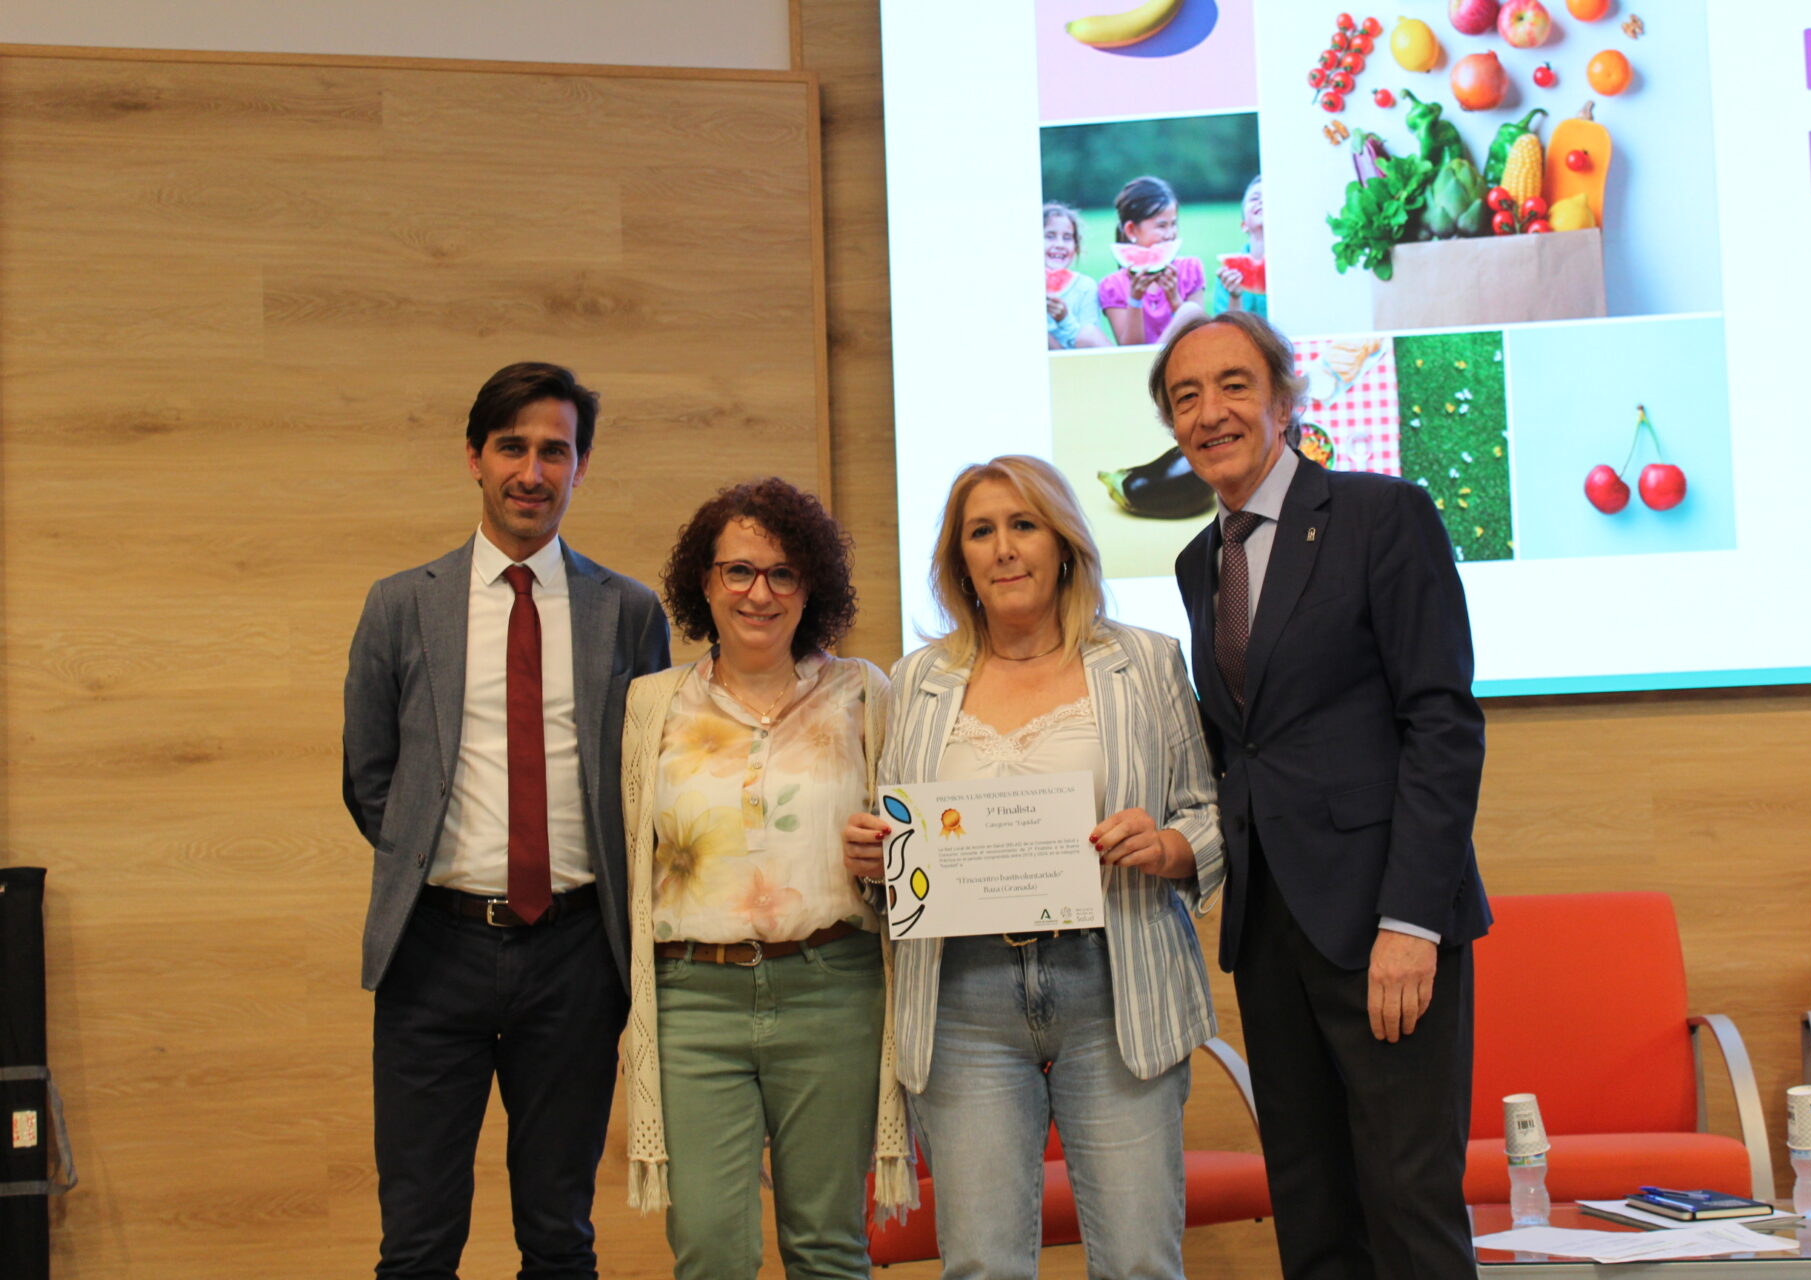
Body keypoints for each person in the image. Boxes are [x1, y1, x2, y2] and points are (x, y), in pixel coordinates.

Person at [1151, 310, 1491, 1280]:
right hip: (1270, 933)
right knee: (1312, 1209)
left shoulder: (1383, 516)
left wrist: (1411, 922)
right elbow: (1244, 744)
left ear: (1286, 398)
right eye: (1186, 397)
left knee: (1409, 1206)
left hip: (1385, 924)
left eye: (1233, 384)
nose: (1211, 412)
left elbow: (1442, 723)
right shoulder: (1198, 561)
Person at [844, 455, 1222, 1280]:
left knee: (1139, 1264)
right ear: (960, 559)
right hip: (962, 1000)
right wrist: (874, 858)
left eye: (1024, 525)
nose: (1005, 548)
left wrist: (1169, 847)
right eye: (982, 531)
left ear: (1064, 545)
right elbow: (898, 845)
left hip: (1115, 986)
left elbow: (1208, 810)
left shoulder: (1146, 661)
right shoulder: (918, 680)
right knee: (983, 1265)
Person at [343, 361, 671, 1278]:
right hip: (431, 954)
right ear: (474, 458)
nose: (533, 472)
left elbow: (649, 777)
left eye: (554, 451)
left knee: (560, 1237)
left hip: (576, 957)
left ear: (581, 466)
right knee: (416, 1244)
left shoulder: (628, 612)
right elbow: (371, 779)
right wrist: (434, 859)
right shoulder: (402, 605)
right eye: (511, 448)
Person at [620, 478, 913, 1279]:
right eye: (739, 571)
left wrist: (888, 864)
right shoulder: (651, 705)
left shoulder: (866, 693)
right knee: (710, 1251)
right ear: (705, 582)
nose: (760, 592)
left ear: (811, 588)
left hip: (833, 992)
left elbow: (916, 860)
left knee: (827, 1248)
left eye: (783, 573)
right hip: (691, 1003)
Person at [1097, 175, 1208, 347]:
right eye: (1161, 226)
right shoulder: (1112, 285)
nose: (1170, 234)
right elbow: (1129, 349)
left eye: (1174, 224)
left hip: (1184, 356)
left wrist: (1174, 299)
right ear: (1131, 230)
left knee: (1190, 310)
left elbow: (1199, 337)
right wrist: (1135, 300)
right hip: (1140, 362)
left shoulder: (1190, 269)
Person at [1044, 201, 1112, 350]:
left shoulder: (1085, 287)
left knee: (1089, 332)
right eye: (1050, 236)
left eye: (1067, 237)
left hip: (1081, 361)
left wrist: (1064, 320)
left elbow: (1089, 341)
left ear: (1076, 247)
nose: (1060, 244)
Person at [1208, 175, 1267, 318]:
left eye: (1269, 197)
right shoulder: (1229, 274)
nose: (1262, 201)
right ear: (1244, 225)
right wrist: (1235, 296)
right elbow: (1227, 329)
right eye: (1255, 198)